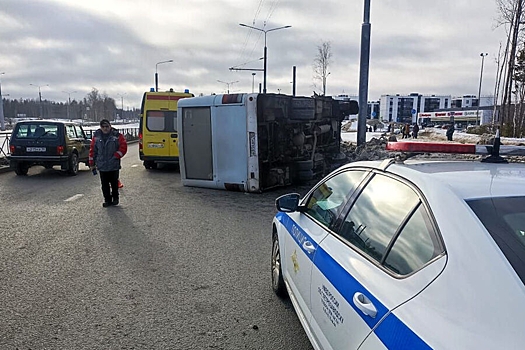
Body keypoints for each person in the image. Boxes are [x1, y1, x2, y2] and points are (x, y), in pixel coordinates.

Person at [89, 119, 128, 207]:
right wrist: (92, 163)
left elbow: (123, 147)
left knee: (114, 183)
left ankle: (115, 198)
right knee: (104, 184)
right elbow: (92, 151)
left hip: (113, 164)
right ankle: (107, 200)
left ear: (110, 126)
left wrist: (116, 156)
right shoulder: (96, 137)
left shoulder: (117, 135)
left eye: (107, 126)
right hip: (102, 165)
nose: (105, 128)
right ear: (100, 127)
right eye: (103, 127)